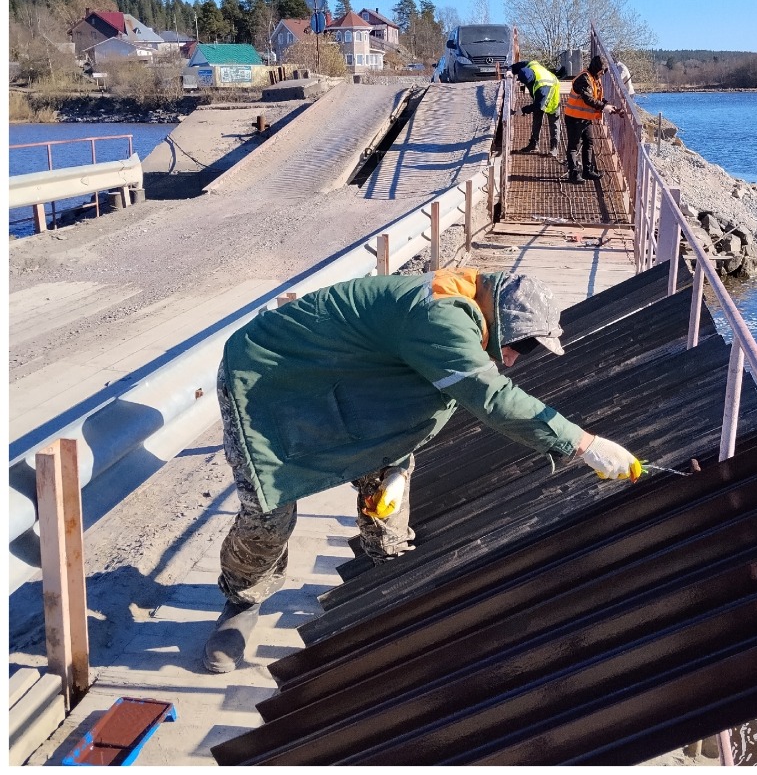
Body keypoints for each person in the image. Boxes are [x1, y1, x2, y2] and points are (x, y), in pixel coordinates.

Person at [202, 268, 645, 672]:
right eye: (520, 345)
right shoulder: (440, 316)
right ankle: (242, 600)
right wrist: (584, 444)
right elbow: (490, 398)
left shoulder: (465, 308)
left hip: (346, 382)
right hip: (266, 377)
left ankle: (387, 572)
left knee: (385, 488)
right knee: (270, 510)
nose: (512, 360)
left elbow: (414, 391)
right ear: (504, 317)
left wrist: (397, 457)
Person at [562, 53, 619, 184]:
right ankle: (573, 173)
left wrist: (607, 104)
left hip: (584, 118)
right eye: (603, 71)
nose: (603, 74)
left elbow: (596, 97)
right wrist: (604, 107)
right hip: (574, 117)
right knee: (573, 146)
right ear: (599, 69)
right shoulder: (584, 78)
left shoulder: (592, 78)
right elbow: (588, 98)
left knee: (589, 142)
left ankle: (587, 171)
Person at [509, 59, 562, 155]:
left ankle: (554, 148)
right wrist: (510, 70)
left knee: (553, 122)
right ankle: (533, 144)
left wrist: (523, 110)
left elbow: (538, 105)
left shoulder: (542, 88)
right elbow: (517, 66)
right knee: (536, 119)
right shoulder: (530, 65)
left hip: (551, 94)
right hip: (540, 96)